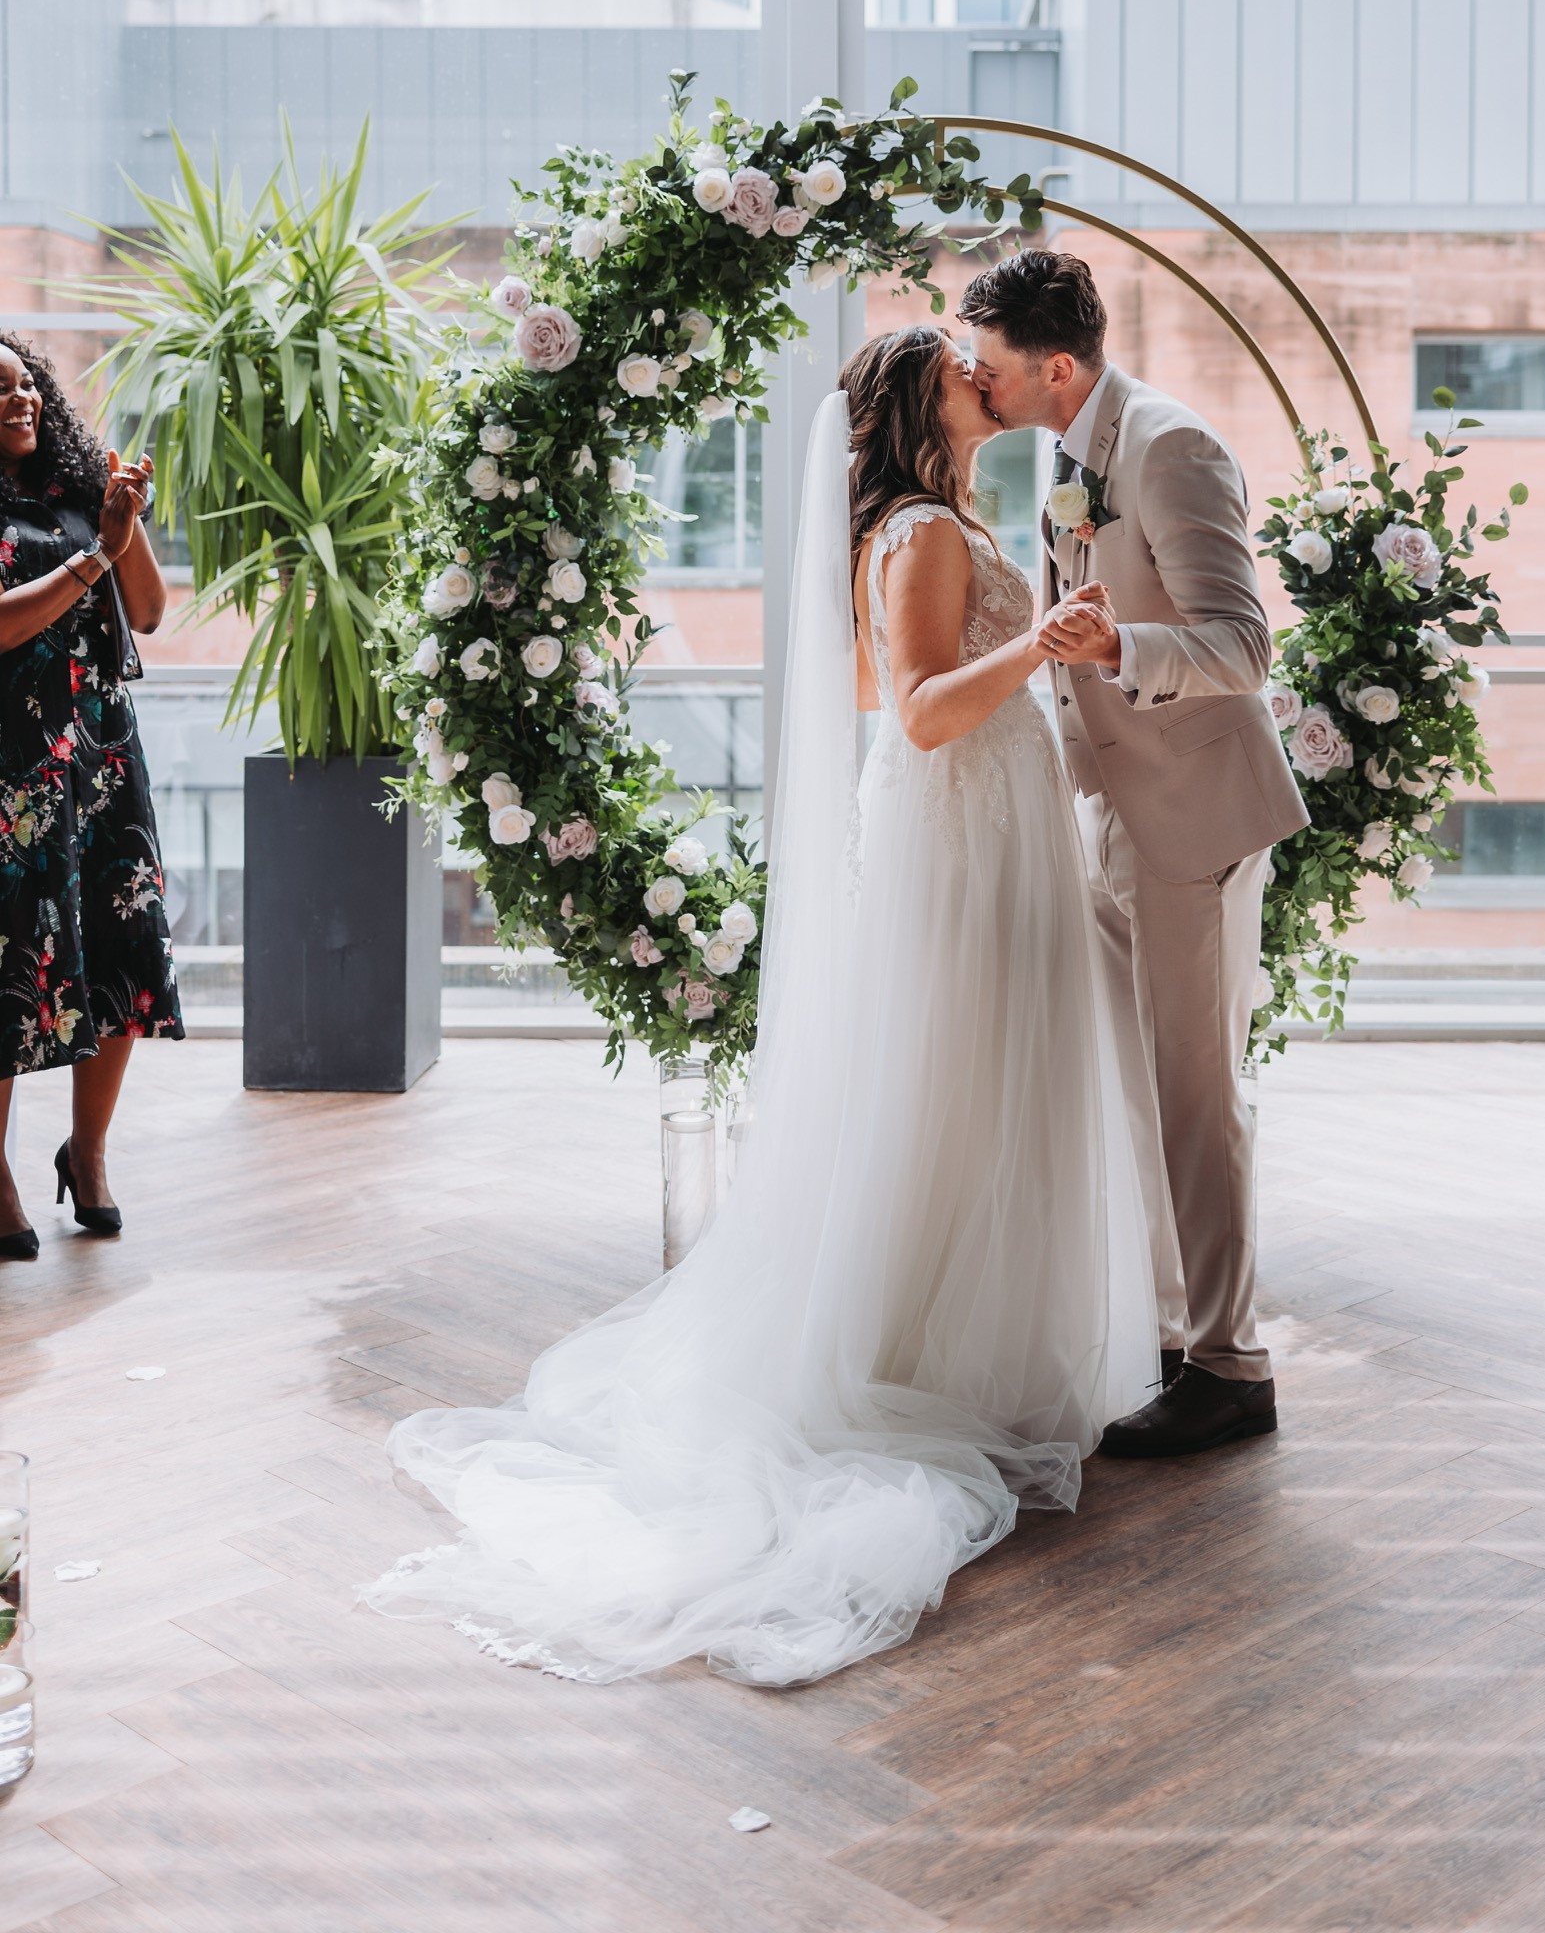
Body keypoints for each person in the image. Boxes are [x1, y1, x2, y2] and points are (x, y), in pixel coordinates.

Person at [364, 326, 1157, 1688]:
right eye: (963, 365)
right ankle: (921, 1352)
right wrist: (1038, 646)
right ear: (921, 399)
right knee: (956, 1081)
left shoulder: (954, 516)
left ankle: (983, 1343)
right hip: (958, 836)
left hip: (995, 824)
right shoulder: (917, 531)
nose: (986, 370)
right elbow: (913, 713)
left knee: (987, 1087)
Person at [960, 251, 1308, 1459]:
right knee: (1140, 1088)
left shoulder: (1169, 446)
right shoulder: (1067, 453)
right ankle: (1172, 1334)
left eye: (992, 368)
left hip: (1196, 818)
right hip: (1115, 811)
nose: (977, 385)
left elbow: (1242, 645)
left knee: (1198, 1097)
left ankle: (1231, 1361)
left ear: (1057, 363)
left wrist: (1117, 652)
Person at [0, 335, 181, 1261]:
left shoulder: (80, 490)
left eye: (27, 383)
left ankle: (90, 1151)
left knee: (121, 947)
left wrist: (122, 527)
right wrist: (89, 564)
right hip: (10, 769)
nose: (20, 399)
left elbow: (146, 613)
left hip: (102, 756)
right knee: (11, 968)